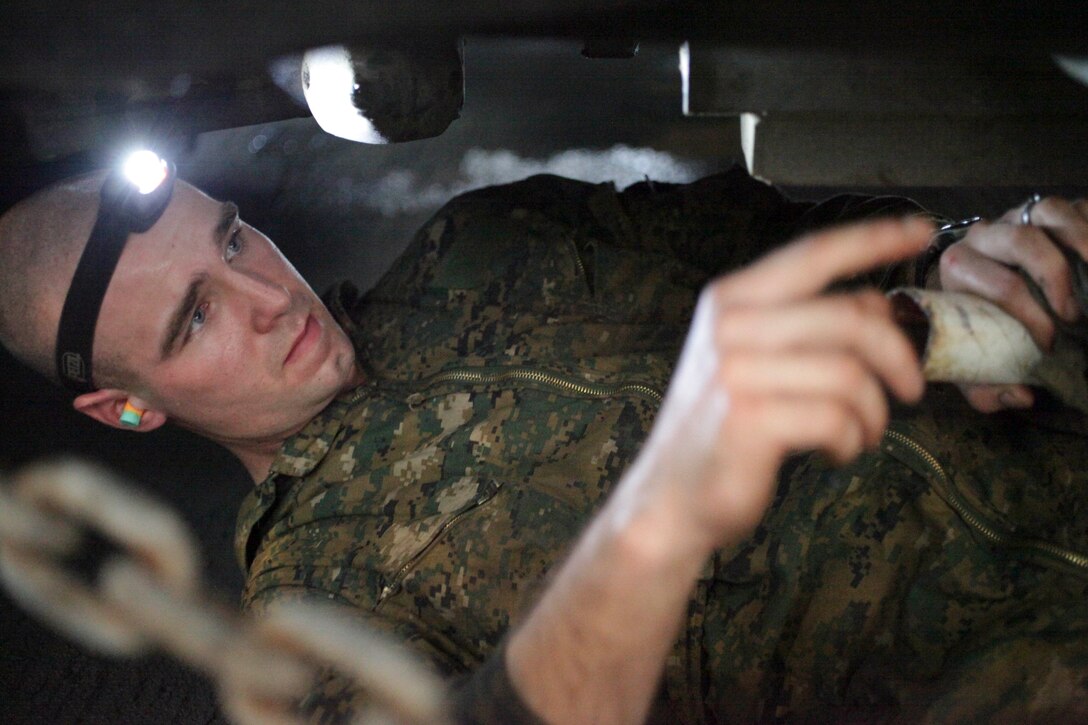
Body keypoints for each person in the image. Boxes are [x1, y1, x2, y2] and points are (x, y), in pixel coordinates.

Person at [0, 165, 1085, 723]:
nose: (264, 296)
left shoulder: (478, 235)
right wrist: (659, 519)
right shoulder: (305, 618)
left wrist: (956, 258)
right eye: (194, 317)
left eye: (234, 235)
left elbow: (781, 234)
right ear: (129, 407)